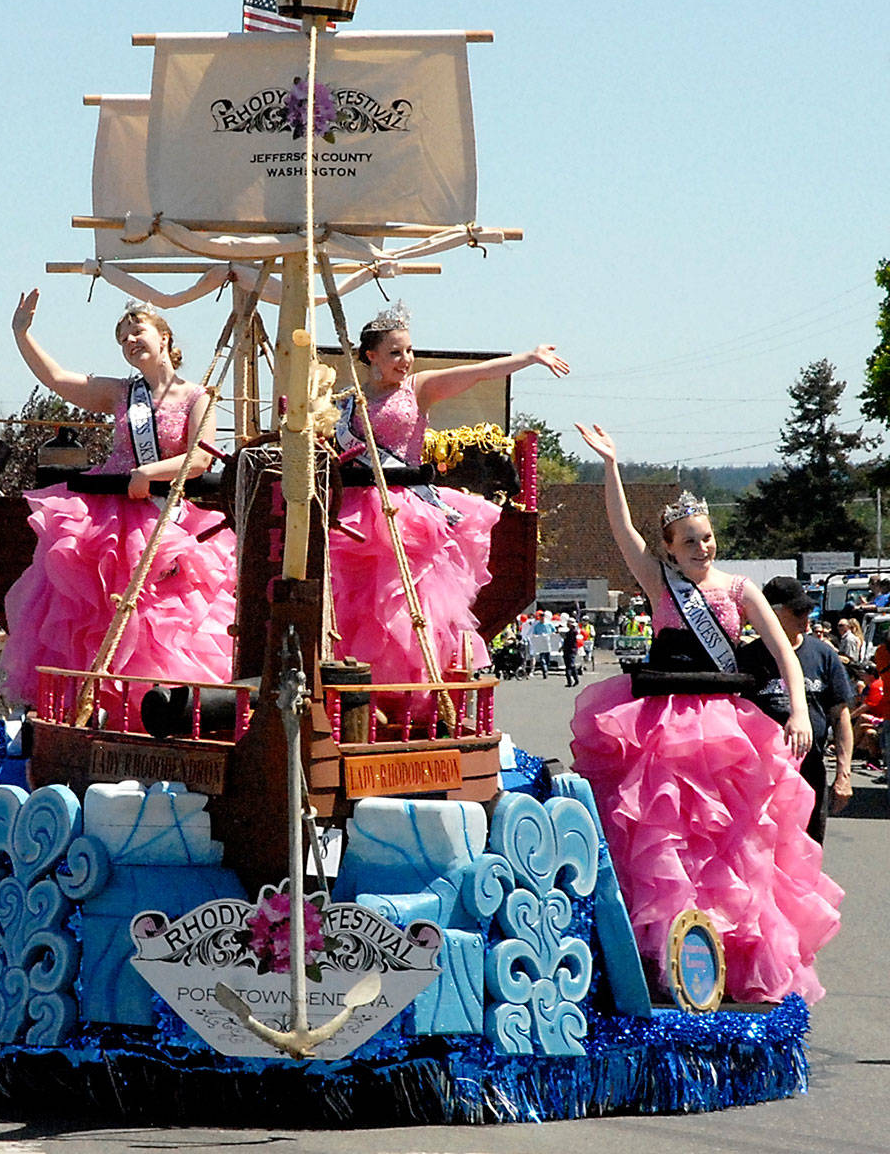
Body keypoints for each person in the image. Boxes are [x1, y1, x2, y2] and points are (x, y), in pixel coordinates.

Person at [568, 424, 841, 1004]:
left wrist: (797, 712)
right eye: (689, 541)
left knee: (735, 842)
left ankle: (730, 953)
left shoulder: (741, 587)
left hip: (725, 725)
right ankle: (665, 959)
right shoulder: (656, 580)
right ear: (668, 547)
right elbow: (621, 528)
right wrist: (612, 466)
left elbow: (783, 653)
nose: (702, 548)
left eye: (708, 538)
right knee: (665, 838)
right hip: (661, 723)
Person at [0, 290, 236, 716]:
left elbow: (201, 458)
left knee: (158, 617)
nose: (130, 340)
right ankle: (100, 704)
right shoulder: (120, 393)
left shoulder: (197, 396)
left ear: (164, 337)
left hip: (165, 518)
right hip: (108, 518)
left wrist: (149, 472)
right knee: (96, 614)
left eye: (137, 330)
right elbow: (56, 378)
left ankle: (157, 706)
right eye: (122, 336)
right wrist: (22, 335)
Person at [328, 301, 569, 693]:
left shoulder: (418, 389)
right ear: (371, 355)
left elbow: (475, 375)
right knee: (360, 605)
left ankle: (415, 690)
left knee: (412, 606)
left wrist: (528, 357)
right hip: (359, 510)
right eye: (395, 353)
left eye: (409, 351)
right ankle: (359, 687)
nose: (406, 360)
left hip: (408, 509)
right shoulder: (348, 401)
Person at [740, 576, 854, 846]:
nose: (807, 616)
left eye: (808, 609)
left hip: (809, 770)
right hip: (761, 777)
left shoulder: (823, 655)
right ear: (773, 613)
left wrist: (844, 775)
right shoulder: (747, 658)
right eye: (798, 611)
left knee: (806, 851)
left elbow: (840, 717)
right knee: (760, 852)